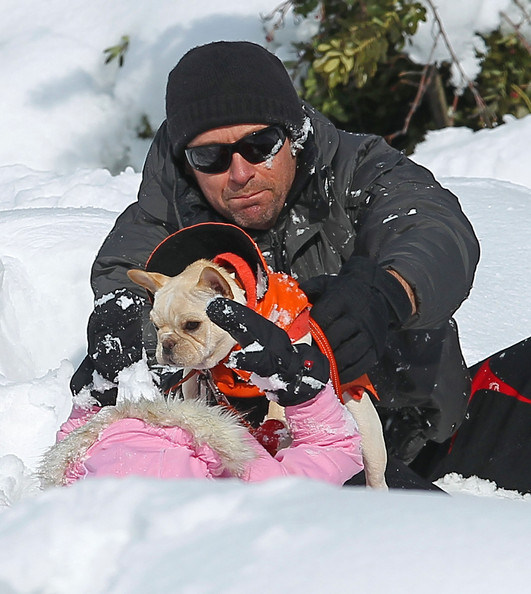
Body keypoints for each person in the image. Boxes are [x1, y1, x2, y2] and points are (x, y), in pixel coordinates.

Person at [70, 40, 480, 482]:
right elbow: (124, 281)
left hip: (429, 438)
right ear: (187, 164)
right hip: (276, 463)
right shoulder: (164, 218)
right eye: (209, 156)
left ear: (294, 136)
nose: (240, 172)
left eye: (260, 144)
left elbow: (433, 228)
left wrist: (387, 294)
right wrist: (126, 322)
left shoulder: (357, 170)